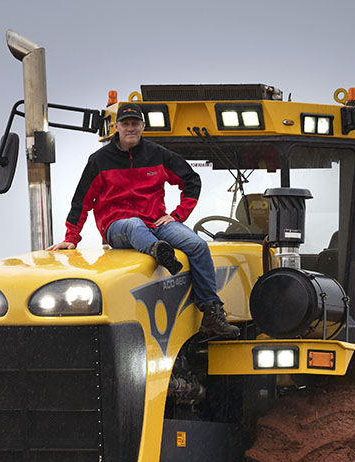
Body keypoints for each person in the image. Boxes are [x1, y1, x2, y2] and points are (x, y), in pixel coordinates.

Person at [49, 103, 239, 339]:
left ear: (143, 126)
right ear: (116, 127)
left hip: (156, 221)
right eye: (126, 123)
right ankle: (159, 251)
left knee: (197, 245)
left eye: (135, 123)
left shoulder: (157, 154)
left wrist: (178, 216)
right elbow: (81, 201)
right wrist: (71, 238)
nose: (131, 128)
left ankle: (211, 312)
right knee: (134, 225)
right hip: (117, 226)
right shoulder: (99, 160)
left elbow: (191, 180)